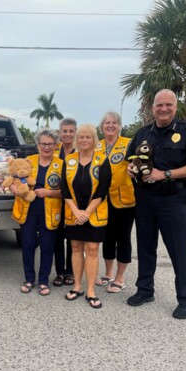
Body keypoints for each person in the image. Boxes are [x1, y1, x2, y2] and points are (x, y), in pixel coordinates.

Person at [126, 89, 186, 319]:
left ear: (175, 106)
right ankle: (144, 290)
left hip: (173, 200)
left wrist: (166, 174)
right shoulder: (142, 133)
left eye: (168, 105)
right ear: (152, 108)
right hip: (145, 199)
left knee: (179, 251)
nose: (163, 109)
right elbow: (130, 163)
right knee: (145, 247)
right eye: (159, 105)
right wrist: (131, 170)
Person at [63, 124, 111, 309]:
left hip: (94, 213)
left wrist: (86, 213)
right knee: (75, 248)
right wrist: (76, 211)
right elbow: (65, 188)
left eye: (88, 137)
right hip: (74, 213)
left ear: (94, 140)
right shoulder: (69, 160)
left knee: (92, 250)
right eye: (81, 137)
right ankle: (77, 286)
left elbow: (102, 189)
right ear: (77, 139)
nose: (84, 140)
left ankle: (91, 290)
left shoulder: (102, 160)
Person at [11, 129, 63, 296]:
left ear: (56, 145)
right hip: (28, 209)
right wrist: (13, 187)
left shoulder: (61, 165)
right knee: (27, 244)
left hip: (50, 210)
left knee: (47, 246)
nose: (46, 147)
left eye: (50, 144)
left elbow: (67, 192)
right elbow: (13, 178)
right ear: (37, 145)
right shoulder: (28, 161)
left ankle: (43, 280)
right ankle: (29, 279)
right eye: (43, 144)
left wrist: (49, 193)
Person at [95, 111, 135, 293]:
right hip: (102, 200)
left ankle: (120, 278)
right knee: (107, 237)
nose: (110, 126)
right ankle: (108, 273)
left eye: (114, 123)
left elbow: (141, 164)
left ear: (119, 126)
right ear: (102, 127)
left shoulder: (129, 144)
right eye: (106, 123)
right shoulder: (97, 146)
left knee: (123, 237)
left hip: (124, 200)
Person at [52, 118, 76, 287]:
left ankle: (72, 272)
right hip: (56, 200)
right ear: (59, 133)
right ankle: (60, 272)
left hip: (75, 201)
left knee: (73, 238)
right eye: (64, 131)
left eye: (71, 131)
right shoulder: (54, 151)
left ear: (75, 133)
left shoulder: (81, 151)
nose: (67, 134)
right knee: (58, 237)